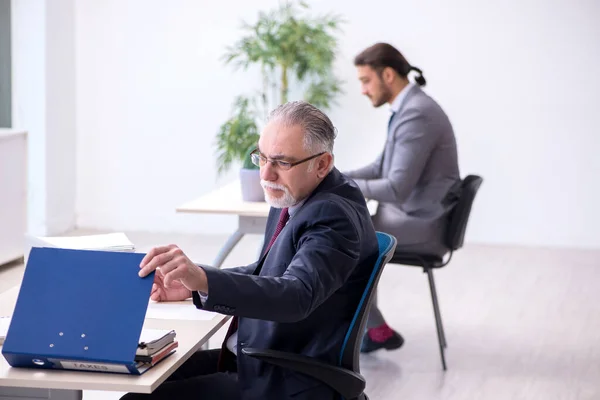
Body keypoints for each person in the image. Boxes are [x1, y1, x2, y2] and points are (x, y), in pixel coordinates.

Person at [121, 101, 379, 400]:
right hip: (261, 358)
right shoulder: (299, 194)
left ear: (322, 164)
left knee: (137, 397)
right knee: (143, 374)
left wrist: (205, 281)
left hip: (288, 376)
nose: (266, 175)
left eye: (282, 162)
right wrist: (195, 284)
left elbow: (295, 294)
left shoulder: (332, 217)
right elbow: (270, 272)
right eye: (262, 158)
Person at [344, 43, 461, 354]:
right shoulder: (407, 109)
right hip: (410, 214)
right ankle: (369, 329)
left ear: (388, 75)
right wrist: (336, 177)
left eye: (366, 81)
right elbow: (380, 167)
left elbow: (397, 188)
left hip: (424, 224)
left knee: (344, 240)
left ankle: (372, 330)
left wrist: (344, 186)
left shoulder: (417, 115)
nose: (363, 90)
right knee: (346, 232)